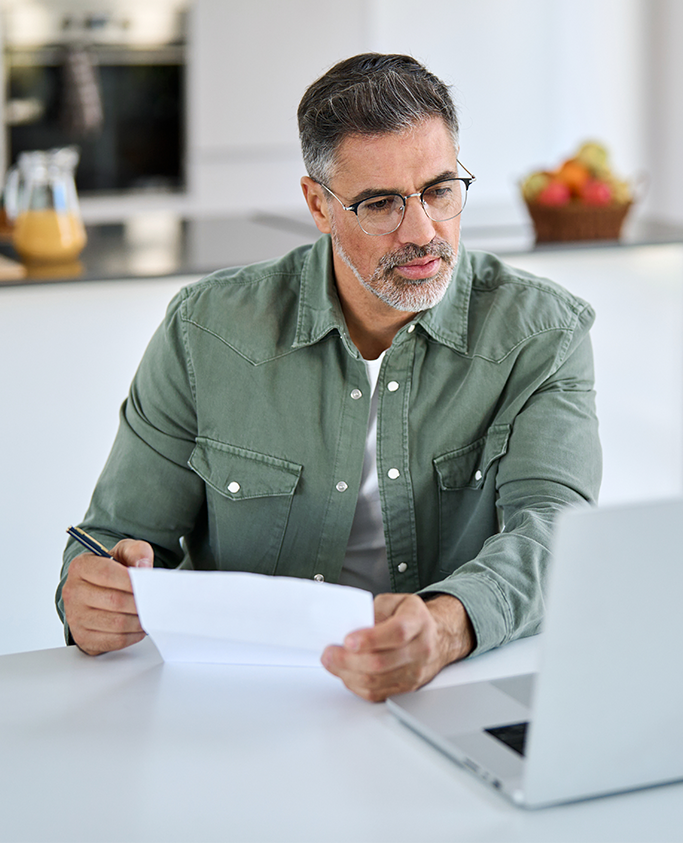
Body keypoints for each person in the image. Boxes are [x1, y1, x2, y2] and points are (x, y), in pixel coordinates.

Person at [57, 53, 601, 702]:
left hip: (451, 689)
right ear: (317, 204)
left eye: (439, 189)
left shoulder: (541, 332)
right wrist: (89, 596)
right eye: (380, 204)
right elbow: (114, 534)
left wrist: (444, 626)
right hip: (244, 701)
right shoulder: (206, 330)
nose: (423, 231)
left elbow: (555, 533)